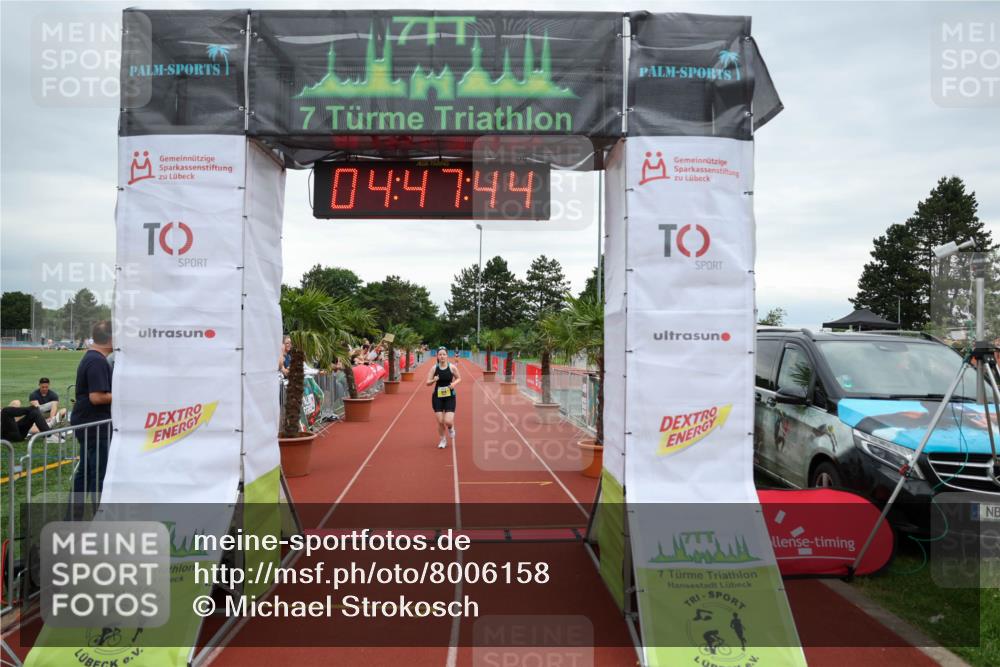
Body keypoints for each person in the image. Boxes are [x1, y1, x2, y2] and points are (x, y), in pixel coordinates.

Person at [70, 320, 113, 505]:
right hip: (95, 426)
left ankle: (73, 518)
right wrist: (122, 393)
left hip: (88, 424)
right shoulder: (97, 361)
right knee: (98, 475)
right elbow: (97, 397)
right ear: (111, 338)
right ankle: (98, 518)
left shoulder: (92, 357)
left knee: (85, 474)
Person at [426, 347, 461, 449]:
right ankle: (442, 440)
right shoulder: (434, 368)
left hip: (450, 396)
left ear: (447, 356)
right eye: (440, 354)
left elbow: (459, 378)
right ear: (437, 356)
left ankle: (450, 428)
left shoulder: (452, 367)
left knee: (448, 421)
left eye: (444, 354)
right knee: (440, 421)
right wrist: (434, 380)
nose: (442, 356)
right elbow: (427, 383)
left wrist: (454, 384)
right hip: (437, 397)